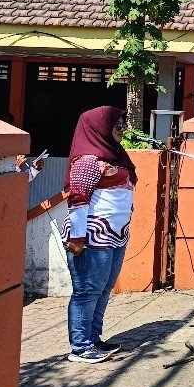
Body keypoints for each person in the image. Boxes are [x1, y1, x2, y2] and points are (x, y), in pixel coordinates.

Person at [61, 106, 137, 364]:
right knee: (86, 291)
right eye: (117, 124)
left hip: (115, 236)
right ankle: (80, 347)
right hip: (91, 238)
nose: (122, 129)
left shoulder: (115, 156)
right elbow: (78, 199)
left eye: (122, 123)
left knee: (103, 289)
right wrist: (78, 239)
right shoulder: (88, 160)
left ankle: (93, 339)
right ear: (99, 128)